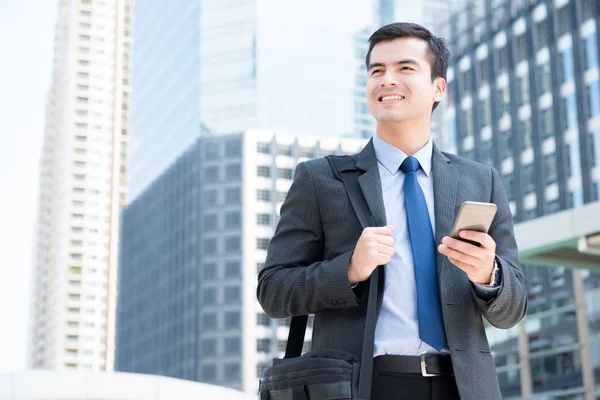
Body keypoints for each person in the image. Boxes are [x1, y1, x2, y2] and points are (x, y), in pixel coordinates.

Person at [257, 22, 527, 400]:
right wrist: (349, 270)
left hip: (464, 387)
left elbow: (513, 310)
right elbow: (273, 291)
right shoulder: (320, 179)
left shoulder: (480, 181)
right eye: (376, 70)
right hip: (363, 385)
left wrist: (488, 274)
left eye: (404, 68)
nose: (387, 80)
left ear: (438, 87)